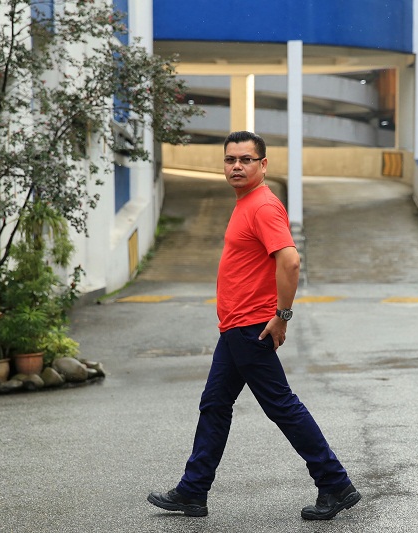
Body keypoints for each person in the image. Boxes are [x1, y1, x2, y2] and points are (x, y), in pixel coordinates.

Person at [147, 131, 360, 521]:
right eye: (231, 160)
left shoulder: (263, 206)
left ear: (263, 165)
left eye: (246, 160)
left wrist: (282, 315)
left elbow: (290, 261)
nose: (237, 166)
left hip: (251, 327)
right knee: (215, 405)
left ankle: (335, 482)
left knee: (282, 406)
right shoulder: (245, 202)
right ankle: (193, 492)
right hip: (235, 328)